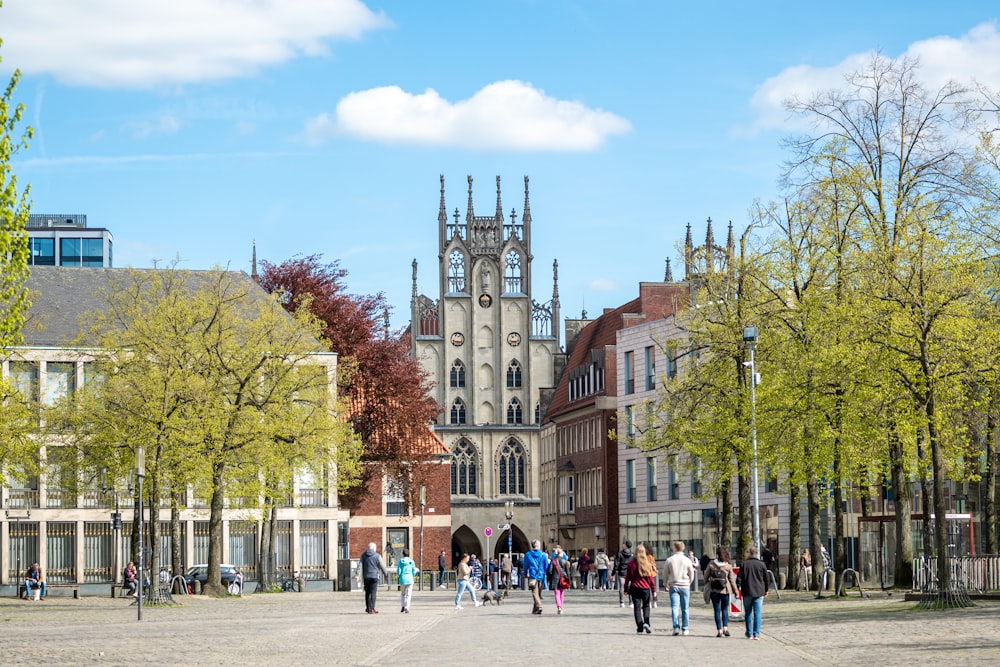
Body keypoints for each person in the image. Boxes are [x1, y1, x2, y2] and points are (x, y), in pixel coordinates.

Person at [737, 546, 769, 640]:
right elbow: (766, 579)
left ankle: (749, 633)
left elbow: (739, 578)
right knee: (758, 613)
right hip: (759, 592)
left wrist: (737, 588)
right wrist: (766, 590)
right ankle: (756, 633)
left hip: (747, 591)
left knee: (748, 613)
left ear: (749, 553)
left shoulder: (744, 564)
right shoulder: (761, 564)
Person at [706, 546, 739, 637]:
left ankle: (719, 630)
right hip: (725, 590)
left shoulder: (712, 564)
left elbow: (706, 576)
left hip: (714, 590)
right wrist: (736, 592)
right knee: (724, 609)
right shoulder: (728, 566)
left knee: (716, 610)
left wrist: (706, 584)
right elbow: (732, 580)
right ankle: (725, 628)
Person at [624, 543, 656, 634]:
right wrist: (653, 589)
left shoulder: (631, 563)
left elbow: (627, 578)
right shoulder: (647, 563)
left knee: (637, 608)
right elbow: (650, 578)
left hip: (635, 588)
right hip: (646, 588)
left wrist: (625, 589)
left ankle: (640, 627)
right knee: (646, 606)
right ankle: (647, 623)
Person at [664, 540, 694, 636]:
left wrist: (666, 583)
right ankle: (685, 628)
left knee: (675, 607)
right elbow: (691, 573)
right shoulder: (687, 560)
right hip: (685, 586)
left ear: (675, 548)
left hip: (674, 585)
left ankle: (676, 627)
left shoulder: (669, 560)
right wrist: (689, 582)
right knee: (685, 608)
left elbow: (665, 573)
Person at [522, 539, 549, 614]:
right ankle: (537, 607)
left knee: (535, 592)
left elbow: (525, 565)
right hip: (541, 576)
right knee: (538, 593)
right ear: (537, 546)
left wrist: (524, 573)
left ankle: (537, 607)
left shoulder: (528, 554)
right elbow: (546, 566)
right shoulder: (543, 555)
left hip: (532, 576)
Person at [360, 542, 389, 614]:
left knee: (367, 593)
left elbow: (360, 566)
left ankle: (367, 607)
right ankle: (372, 608)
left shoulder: (363, 555)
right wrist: (386, 575)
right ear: (373, 548)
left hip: (366, 577)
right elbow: (382, 566)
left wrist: (358, 575)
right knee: (373, 592)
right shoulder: (377, 556)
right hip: (374, 577)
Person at [547, 546, 570, 614]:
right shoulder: (565, 561)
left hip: (555, 578)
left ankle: (559, 607)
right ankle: (561, 607)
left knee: (557, 593)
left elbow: (550, 571)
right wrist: (569, 581)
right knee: (562, 593)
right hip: (563, 578)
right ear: (562, 554)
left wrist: (549, 579)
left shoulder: (553, 561)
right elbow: (567, 572)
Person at [396, 548, 419, 613]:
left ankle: (403, 605)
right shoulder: (411, 561)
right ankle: (407, 607)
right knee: (408, 594)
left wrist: (399, 575)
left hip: (403, 579)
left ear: (403, 554)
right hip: (410, 579)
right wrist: (412, 575)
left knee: (403, 594)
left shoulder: (400, 561)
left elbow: (399, 571)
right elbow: (414, 570)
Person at [614, 540, 634, 608]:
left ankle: (622, 602)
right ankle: (631, 602)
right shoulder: (632, 554)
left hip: (622, 571)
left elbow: (617, 562)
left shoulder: (620, 553)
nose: (622, 545)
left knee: (622, 587)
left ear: (625, 545)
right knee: (630, 587)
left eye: (623, 544)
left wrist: (616, 569)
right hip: (630, 572)